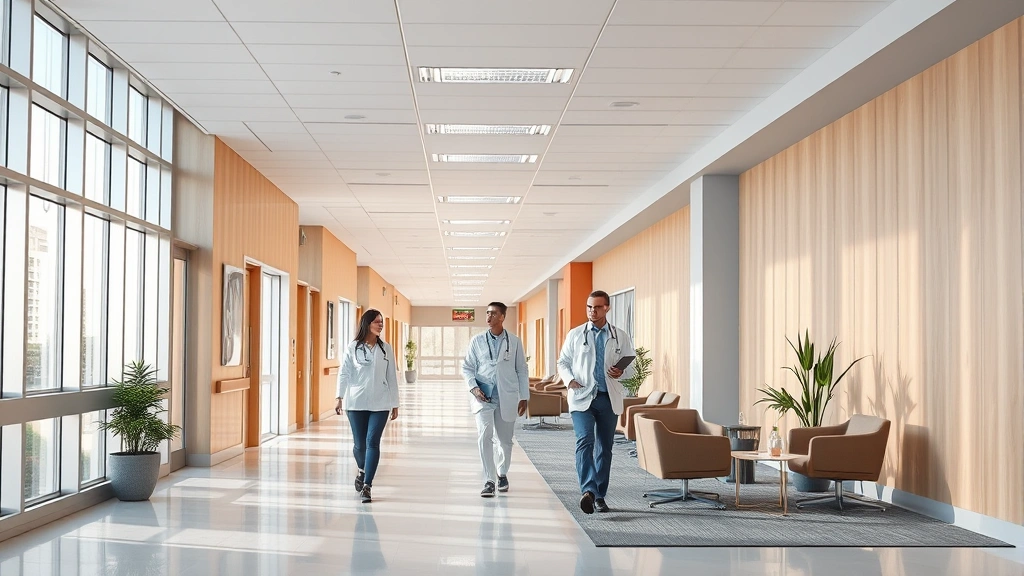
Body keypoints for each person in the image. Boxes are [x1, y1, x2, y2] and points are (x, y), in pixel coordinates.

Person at [556, 290, 635, 514]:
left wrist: (621, 371)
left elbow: (632, 367)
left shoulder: (620, 336)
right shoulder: (575, 334)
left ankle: (599, 495)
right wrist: (570, 380)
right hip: (582, 397)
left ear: (607, 308)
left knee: (605, 449)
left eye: (597, 307)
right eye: (589, 307)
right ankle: (588, 491)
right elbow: (563, 362)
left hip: (607, 398)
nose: (592, 311)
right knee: (585, 441)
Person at [462, 302, 529, 498]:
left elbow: (521, 370)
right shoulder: (477, 341)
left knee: (505, 441)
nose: (489, 317)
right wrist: (473, 388)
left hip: (507, 396)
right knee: (484, 436)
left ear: (502, 317)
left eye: (493, 313)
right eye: (487, 313)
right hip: (483, 396)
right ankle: (489, 480)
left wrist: (524, 396)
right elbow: (467, 367)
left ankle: (502, 473)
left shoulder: (514, 341)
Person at [336, 309, 399, 503]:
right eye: (376, 322)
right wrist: (339, 396)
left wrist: (395, 403)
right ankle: (362, 470)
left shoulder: (386, 348)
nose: (380, 324)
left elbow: (392, 377)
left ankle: (367, 485)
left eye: (381, 322)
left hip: (380, 403)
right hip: (356, 402)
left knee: (373, 442)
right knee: (359, 445)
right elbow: (344, 372)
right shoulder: (353, 347)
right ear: (367, 324)